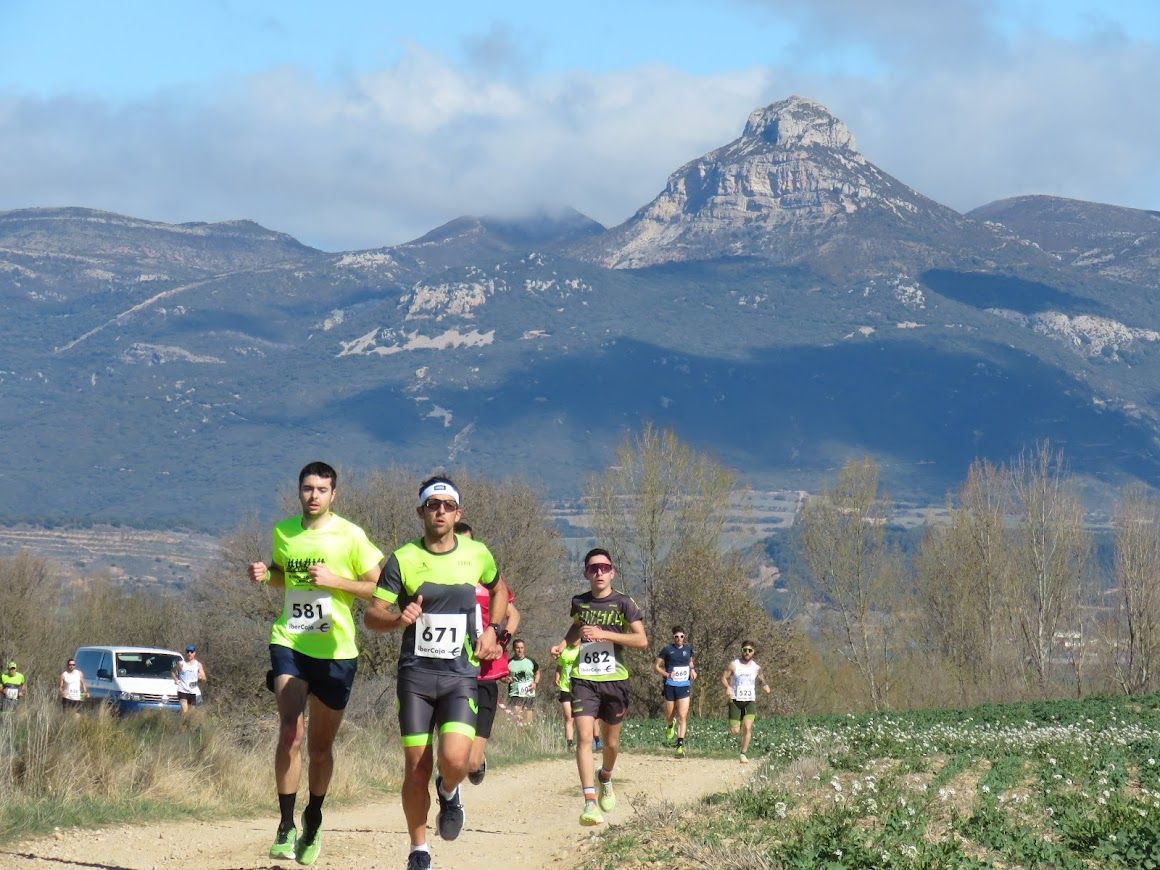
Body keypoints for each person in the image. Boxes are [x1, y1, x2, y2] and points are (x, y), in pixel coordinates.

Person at [365, 476, 509, 870]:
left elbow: (499, 590)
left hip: (460, 675)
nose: (440, 511)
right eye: (433, 505)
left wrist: (494, 631)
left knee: (456, 760)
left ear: (458, 513)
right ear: (421, 513)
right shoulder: (402, 558)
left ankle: (448, 791)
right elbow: (372, 614)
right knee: (415, 767)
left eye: (447, 505)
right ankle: (419, 849)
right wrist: (397, 618)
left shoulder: (478, 554)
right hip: (416, 677)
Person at [246, 461, 385, 866]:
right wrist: (263, 574)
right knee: (290, 731)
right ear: (299, 491)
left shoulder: (351, 535)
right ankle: (286, 824)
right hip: (289, 641)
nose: (313, 495)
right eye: (307, 488)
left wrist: (336, 582)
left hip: (336, 653)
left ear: (333, 494)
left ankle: (313, 817)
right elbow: (282, 578)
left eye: (321, 489)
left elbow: (381, 588)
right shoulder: (284, 532)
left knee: (320, 749)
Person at [551, 548, 647, 827]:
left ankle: (605, 776)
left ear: (612, 572)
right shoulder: (579, 602)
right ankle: (589, 803)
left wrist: (604, 633)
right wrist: (563, 643)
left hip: (615, 681)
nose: (599, 573)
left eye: (604, 568)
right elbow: (576, 628)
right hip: (584, 679)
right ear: (586, 573)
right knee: (583, 738)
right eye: (593, 569)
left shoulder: (624, 603)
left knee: (611, 743)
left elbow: (642, 641)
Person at [455, 521, 518, 788]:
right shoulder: (438, 576)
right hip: (452, 671)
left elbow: (512, 615)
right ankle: (449, 796)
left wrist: (501, 643)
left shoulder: (489, 578)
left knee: (470, 763)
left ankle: (477, 760)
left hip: (485, 672)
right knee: (452, 752)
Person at [721, 640, 771, 764]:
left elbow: (761, 679)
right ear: (741, 650)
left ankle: (743, 753)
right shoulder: (734, 665)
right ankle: (734, 727)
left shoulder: (756, 668)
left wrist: (765, 685)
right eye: (745, 650)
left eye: (750, 650)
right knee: (735, 731)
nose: (747, 652)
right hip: (735, 700)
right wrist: (728, 687)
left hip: (750, 701)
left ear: (753, 652)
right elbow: (723, 677)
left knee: (748, 728)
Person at [654, 625, 696, 757]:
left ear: (684, 637)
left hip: (684, 685)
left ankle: (679, 746)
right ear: (673, 638)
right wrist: (667, 675)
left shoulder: (688, 649)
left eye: (681, 636)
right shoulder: (667, 650)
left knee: (682, 716)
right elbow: (656, 667)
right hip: (670, 685)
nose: (679, 639)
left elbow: (690, 662)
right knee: (670, 715)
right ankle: (669, 724)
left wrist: (693, 670)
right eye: (676, 637)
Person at [504, 639, 540, 725]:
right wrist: (505, 679)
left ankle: (526, 736)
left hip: (528, 692)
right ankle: (517, 735)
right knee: (518, 718)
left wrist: (535, 683)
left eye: (522, 648)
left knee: (528, 720)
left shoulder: (530, 661)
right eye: (517, 648)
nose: (520, 650)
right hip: (515, 693)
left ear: (524, 648)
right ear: (513, 648)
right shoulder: (509, 663)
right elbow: (502, 677)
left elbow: (538, 672)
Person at [554, 641, 579, 749]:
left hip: (579, 688)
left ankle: (585, 743)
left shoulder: (583, 649)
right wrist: (557, 677)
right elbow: (559, 667)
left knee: (581, 718)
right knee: (569, 717)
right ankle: (569, 744)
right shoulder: (564, 650)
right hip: (565, 688)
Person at [172, 644, 206, 713]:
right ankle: (182, 722)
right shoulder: (181, 663)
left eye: (191, 651)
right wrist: (176, 679)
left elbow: (204, 679)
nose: (189, 653)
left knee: (190, 713)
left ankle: (183, 723)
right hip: (182, 690)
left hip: (193, 692)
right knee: (185, 711)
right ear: (186, 652)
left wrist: (200, 678)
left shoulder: (198, 665)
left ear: (194, 653)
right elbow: (173, 671)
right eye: (188, 651)